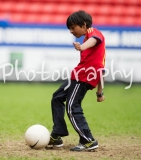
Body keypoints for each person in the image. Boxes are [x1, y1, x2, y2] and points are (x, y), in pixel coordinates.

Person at [47, 10, 105, 151]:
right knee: (57, 97)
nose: (71, 31)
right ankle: (57, 134)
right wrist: (100, 92)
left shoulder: (93, 32)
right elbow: (101, 69)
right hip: (78, 76)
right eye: (70, 29)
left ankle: (88, 140)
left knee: (72, 107)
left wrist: (82, 47)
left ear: (84, 25)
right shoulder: (87, 38)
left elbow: (94, 41)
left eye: (73, 27)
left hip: (83, 78)